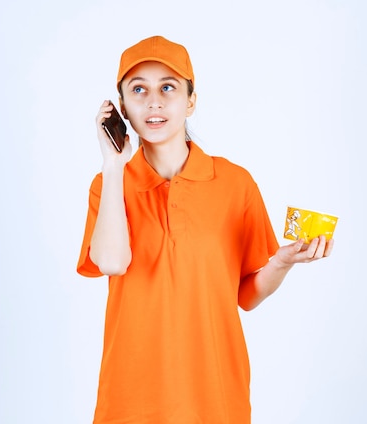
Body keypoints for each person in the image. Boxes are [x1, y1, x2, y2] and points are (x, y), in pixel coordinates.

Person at [77, 35, 334, 424]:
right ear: (124, 108)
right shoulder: (109, 186)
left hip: (214, 396)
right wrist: (113, 166)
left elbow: (246, 296)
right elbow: (112, 262)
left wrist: (281, 262)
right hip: (131, 398)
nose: (154, 102)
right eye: (138, 90)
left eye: (168, 87)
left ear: (191, 100)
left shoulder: (235, 184)